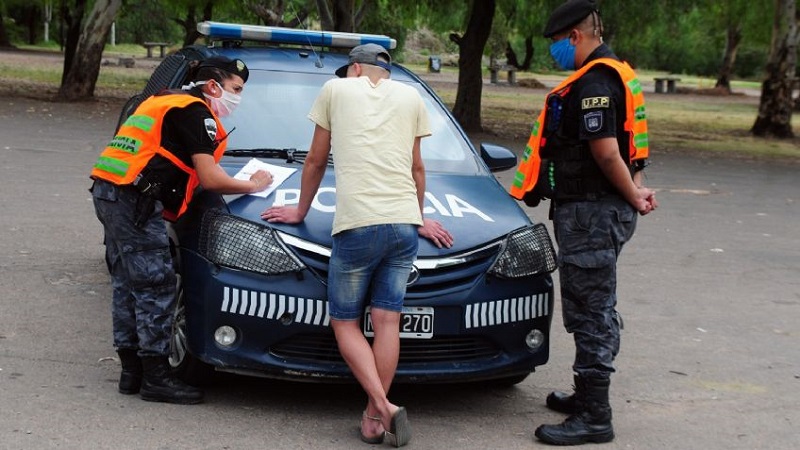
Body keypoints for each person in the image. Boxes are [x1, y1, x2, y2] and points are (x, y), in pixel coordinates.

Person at [260, 43, 453, 447]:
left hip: (358, 225)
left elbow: (315, 159)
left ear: (354, 69)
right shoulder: (411, 95)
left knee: (345, 321)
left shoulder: (336, 90)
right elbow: (417, 166)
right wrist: (417, 217)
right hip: (403, 226)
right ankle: (371, 420)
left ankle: (384, 406)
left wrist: (299, 209)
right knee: (387, 322)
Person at [509, 0, 658, 445]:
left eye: (556, 43)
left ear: (574, 36)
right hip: (602, 210)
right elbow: (636, 148)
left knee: (589, 312)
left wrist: (633, 194)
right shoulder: (617, 74)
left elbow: (607, 151)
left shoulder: (594, 81)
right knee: (598, 303)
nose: (555, 52)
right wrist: (636, 189)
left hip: (591, 214)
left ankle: (596, 415)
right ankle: (585, 395)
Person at [90, 56, 273, 405]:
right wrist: (253, 184)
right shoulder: (195, 112)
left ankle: (133, 372)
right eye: (236, 89)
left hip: (110, 191)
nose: (238, 97)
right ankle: (156, 377)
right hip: (134, 201)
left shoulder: (162, 100)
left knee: (128, 283)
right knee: (156, 285)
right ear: (213, 86)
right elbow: (210, 177)